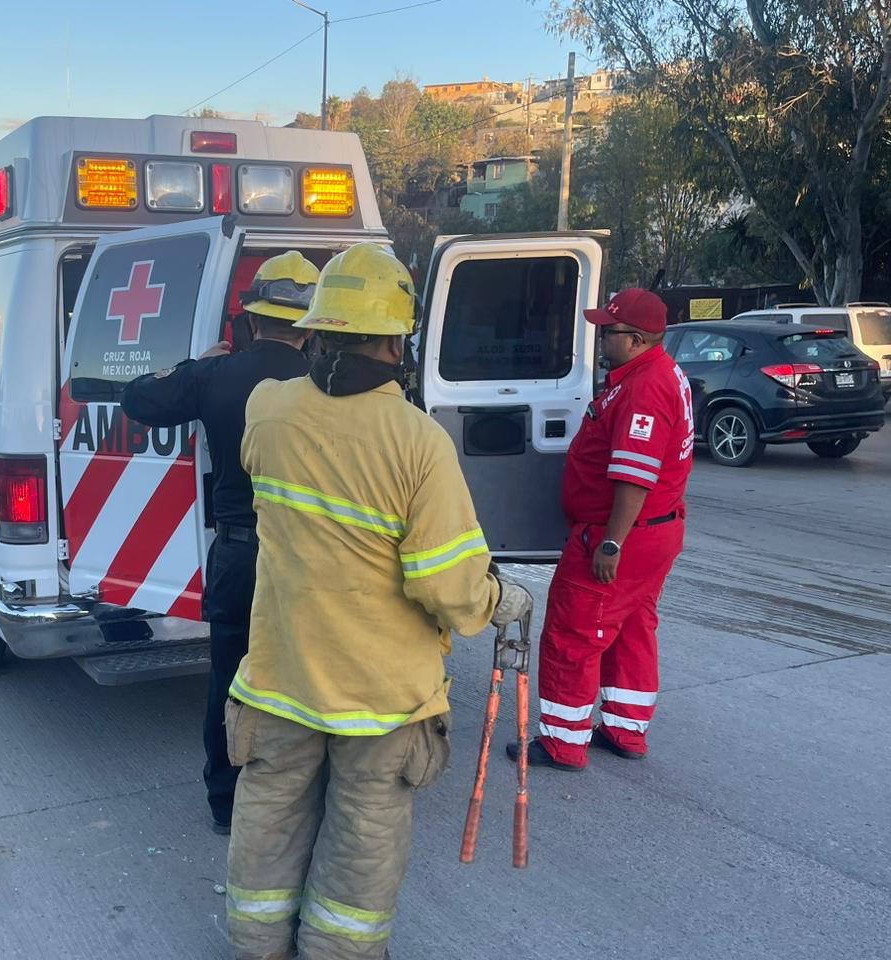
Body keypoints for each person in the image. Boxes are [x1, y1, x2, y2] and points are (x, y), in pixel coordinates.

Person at [224, 243, 533, 960]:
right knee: (362, 839)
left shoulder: (266, 411)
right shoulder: (417, 443)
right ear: (397, 339)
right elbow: (446, 586)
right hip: (381, 697)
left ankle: (254, 946)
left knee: (267, 825)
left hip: (279, 679)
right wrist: (500, 599)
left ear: (318, 327)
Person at [121, 251, 319, 836]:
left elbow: (137, 399)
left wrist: (196, 366)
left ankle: (226, 802)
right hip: (313, 558)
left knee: (231, 678)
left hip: (240, 552)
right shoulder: (326, 384)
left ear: (250, 319)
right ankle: (303, 794)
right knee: (312, 674)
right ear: (310, 327)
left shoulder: (217, 375)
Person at [508, 287, 693, 771]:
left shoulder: (645, 388)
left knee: (574, 633)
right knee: (631, 629)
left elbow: (635, 476)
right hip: (654, 532)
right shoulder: (653, 373)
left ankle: (562, 743)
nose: (599, 339)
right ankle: (625, 729)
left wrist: (610, 542)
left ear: (633, 339)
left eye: (607, 332)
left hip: (621, 536)